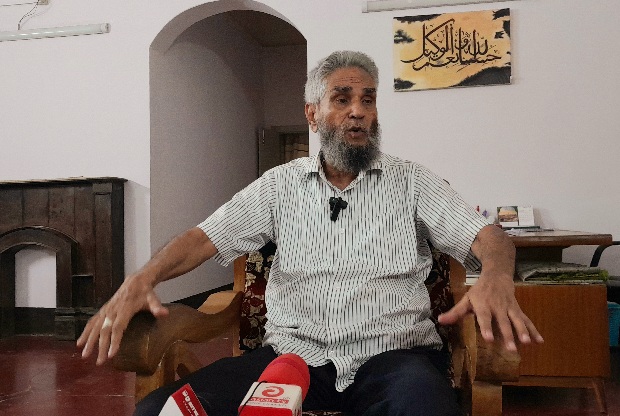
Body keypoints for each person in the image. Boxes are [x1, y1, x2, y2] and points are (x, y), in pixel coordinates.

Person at [78, 50, 543, 416]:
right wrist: (143, 277)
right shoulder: (278, 186)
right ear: (313, 114)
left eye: (368, 99)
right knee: (158, 411)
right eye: (342, 99)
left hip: (395, 359)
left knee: (423, 405)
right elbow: (204, 238)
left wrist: (495, 276)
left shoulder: (413, 182)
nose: (358, 112)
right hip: (289, 359)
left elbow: (488, 237)